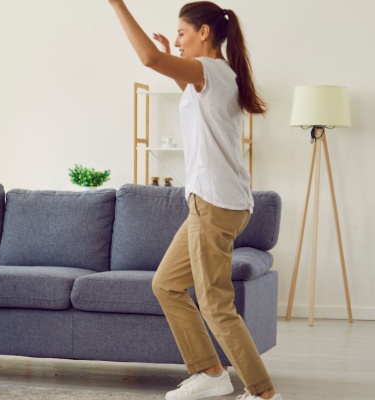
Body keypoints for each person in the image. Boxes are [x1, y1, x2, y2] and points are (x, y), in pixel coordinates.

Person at [108, 1, 279, 400]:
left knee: (216, 304)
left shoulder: (209, 71)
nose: (178, 41)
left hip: (215, 203)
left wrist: (117, 5)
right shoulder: (216, 76)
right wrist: (172, 56)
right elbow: (184, 83)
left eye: (182, 33)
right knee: (167, 284)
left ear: (204, 33)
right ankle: (211, 372)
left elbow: (149, 59)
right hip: (215, 202)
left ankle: (263, 394)